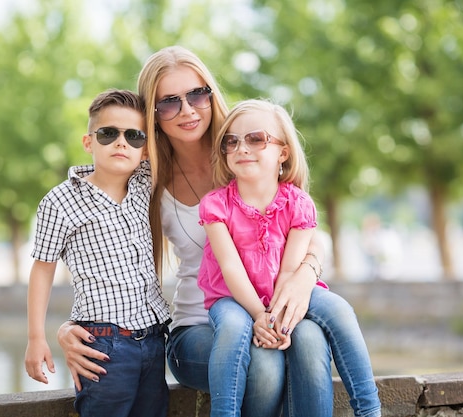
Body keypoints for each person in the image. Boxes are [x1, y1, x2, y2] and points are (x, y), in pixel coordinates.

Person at [57, 46, 377, 417]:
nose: (188, 110)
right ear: (153, 114)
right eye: (169, 102)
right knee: (265, 366)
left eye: (197, 94)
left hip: (271, 307)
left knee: (309, 337)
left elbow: (304, 230)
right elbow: (91, 233)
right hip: (198, 327)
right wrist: (71, 325)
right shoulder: (145, 177)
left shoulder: (245, 147)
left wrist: (304, 276)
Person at [198, 99, 382, 417]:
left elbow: (289, 270)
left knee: (338, 309)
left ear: (283, 152)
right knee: (231, 327)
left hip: (287, 292)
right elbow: (229, 267)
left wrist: (279, 317)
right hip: (233, 297)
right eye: (232, 141)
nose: (242, 148)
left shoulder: (298, 203)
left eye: (256, 138)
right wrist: (259, 313)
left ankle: (369, 410)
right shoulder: (216, 205)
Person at [24, 89, 171, 417]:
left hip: (154, 338)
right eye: (108, 133)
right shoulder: (60, 202)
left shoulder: (146, 182)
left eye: (133, 136)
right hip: (104, 344)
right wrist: (37, 337)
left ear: (145, 150)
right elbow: (42, 268)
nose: (121, 142)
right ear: (89, 142)